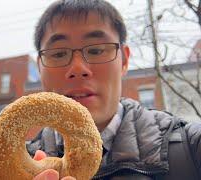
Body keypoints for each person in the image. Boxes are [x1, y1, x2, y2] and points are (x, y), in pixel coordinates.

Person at [25, 0, 201, 179]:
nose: (78, 69)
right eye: (59, 54)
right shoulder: (12, 168)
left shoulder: (191, 147)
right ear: (40, 67)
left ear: (124, 60)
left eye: (96, 50)